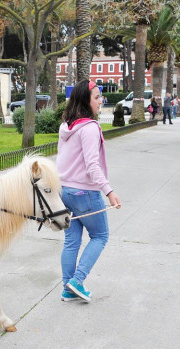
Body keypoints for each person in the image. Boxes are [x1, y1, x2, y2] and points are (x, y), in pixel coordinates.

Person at [56, 80, 121, 302]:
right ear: (86, 101)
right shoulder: (90, 128)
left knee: (72, 241)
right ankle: (76, 281)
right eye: (96, 97)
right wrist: (109, 191)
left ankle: (67, 288)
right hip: (85, 193)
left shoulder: (66, 126)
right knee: (100, 236)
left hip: (64, 191)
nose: (100, 100)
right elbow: (92, 165)